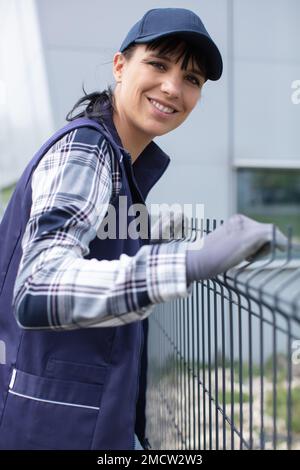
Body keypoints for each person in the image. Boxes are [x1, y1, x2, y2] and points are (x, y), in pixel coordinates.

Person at [0, 8, 286, 450]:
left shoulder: (119, 163)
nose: (173, 87)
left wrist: (141, 234)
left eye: (192, 79)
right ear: (120, 65)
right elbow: (37, 287)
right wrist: (186, 262)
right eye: (158, 64)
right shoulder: (86, 149)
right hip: (49, 430)